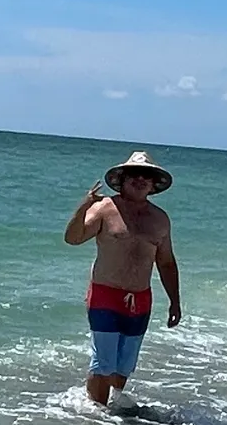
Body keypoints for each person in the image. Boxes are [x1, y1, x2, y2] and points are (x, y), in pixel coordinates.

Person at [64, 151, 181, 408]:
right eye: (134, 175)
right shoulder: (105, 208)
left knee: (124, 364)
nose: (140, 179)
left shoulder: (160, 219)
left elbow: (166, 262)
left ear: (153, 184)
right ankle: (95, 416)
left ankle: (114, 415)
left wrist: (175, 302)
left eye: (146, 176)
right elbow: (73, 238)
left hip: (140, 299)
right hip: (105, 293)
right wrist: (83, 205)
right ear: (123, 180)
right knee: (103, 361)